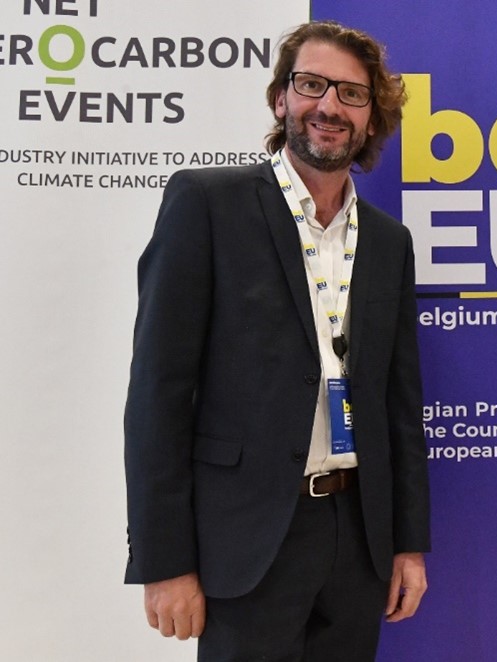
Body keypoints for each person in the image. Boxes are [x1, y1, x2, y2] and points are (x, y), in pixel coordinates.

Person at [124, 20, 430, 661]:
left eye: (351, 94)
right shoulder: (208, 204)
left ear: (372, 118)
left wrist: (407, 544)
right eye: (311, 85)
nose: (329, 107)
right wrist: (164, 560)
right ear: (280, 100)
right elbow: (159, 394)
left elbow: (400, 406)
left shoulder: (389, 240)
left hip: (358, 540)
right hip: (249, 540)